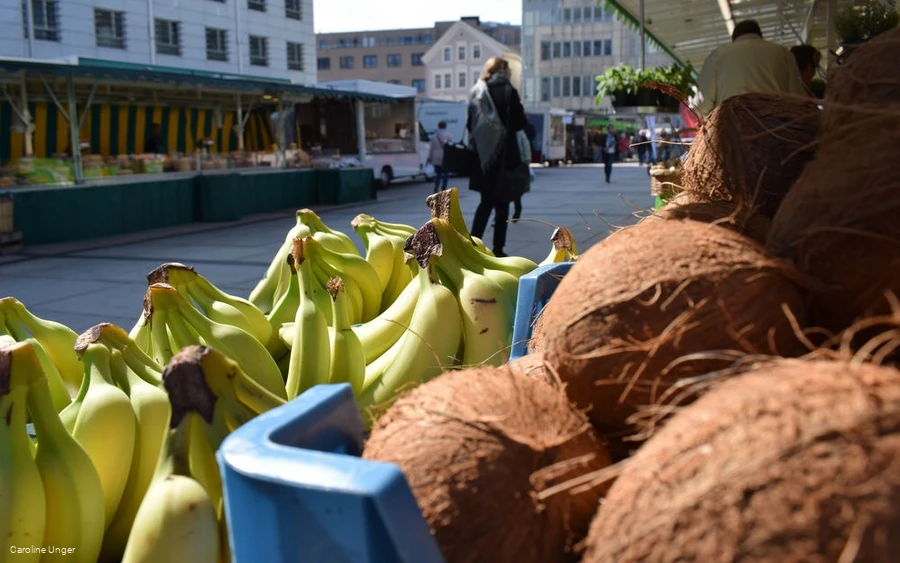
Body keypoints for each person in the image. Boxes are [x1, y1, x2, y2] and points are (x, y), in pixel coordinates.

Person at [467, 56, 528, 257]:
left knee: (485, 203)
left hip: (484, 157)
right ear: (503, 69)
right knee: (502, 206)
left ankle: (471, 245)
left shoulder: (477, 90)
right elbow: (519, 123)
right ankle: (498, 249)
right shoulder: (508, 90)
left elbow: (470, 124)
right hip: (505, 157)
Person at [695, 20, 806, 116]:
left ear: (734, 38)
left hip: (731, 129)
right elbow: (798, 100)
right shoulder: (783, 54)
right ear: (760, 35)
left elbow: (701, 105)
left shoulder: (718, 55)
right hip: (774, 129)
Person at [428, 121, 454, 193]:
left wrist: (430, 157)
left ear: (438, 126)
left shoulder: (434, 135)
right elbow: (451, 146)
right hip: (445, 156)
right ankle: (444, 187)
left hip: (436, 157)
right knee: (445, 173)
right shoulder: (449, 135)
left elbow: (431, 148)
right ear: (445, 126)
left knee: (438, 173)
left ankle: (436, 187)